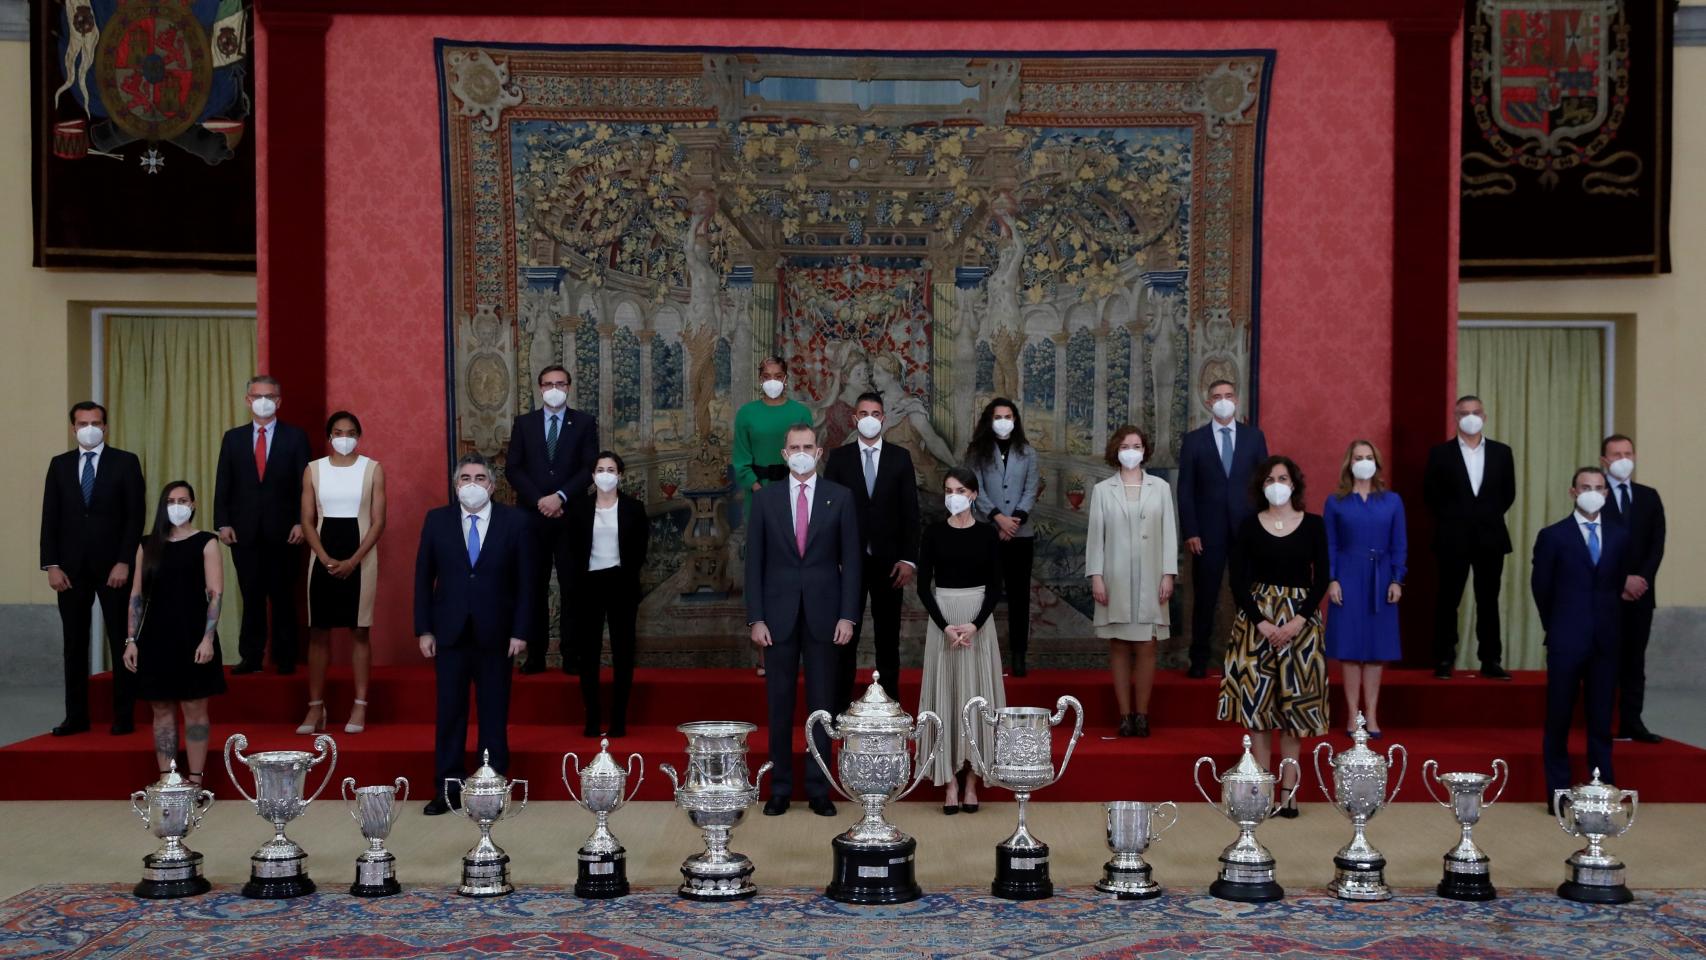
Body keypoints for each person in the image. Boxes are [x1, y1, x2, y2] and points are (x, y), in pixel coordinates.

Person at [746, 423, 860, 817]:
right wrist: (755, 619)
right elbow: (754, 565)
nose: (800, 451)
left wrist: (848, 615)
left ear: (819, 451)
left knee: (822, 707)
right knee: (779, 706)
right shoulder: (765, 501)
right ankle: (779, 787)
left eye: (807, 446)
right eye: (793, 446)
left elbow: (853, 562)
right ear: (783, 453)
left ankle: (818, 787)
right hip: (776, 619)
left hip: (825, 617)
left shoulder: (840, 498)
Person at [415, 454, 534, 815]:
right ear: (455, 486)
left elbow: (527, 583)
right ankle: (447, 789)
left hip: (497, 633)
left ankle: (491, 787)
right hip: (449, 632)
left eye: (479, 477)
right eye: (464, 477)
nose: (472, 484)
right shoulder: (437, 521)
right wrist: (424, 629)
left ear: (492, 485)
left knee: (494, 713)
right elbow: (422, 579)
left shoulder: (515, 521)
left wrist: (520, 630)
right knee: (450, 712)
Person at [1217, 455, 1330, 816]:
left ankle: (1289, 793)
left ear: (1294, 484)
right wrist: (1262, 623)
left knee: (1293, 709)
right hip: (1257, 623)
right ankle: (1260, 789)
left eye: (1282, 478)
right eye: (1269, 479)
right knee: (1258, 710)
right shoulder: (1249, 526)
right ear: (1261, 487)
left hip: (1301, 624)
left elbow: (1322, 577)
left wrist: (1299, 620)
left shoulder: (1314, 525)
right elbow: (1237, 580)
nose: (1277, 484)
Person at [40, 401, 144, 736]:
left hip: (114, 566)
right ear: (73, 428)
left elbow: (134, 517)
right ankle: (76, 717)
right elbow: (50, 518)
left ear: (106, 427)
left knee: (121, 640)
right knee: (74, 643)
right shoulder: (59, 465)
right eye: (83, 422)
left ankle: (124, 714)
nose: (89, 428)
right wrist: (52, 565)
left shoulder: (125, 463)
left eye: (96, 422)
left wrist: (125, 561)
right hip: (70, 570)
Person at [1532, 467, 1628, 807]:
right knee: (1558, 717)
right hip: (1566, 639)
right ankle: (1558, 794)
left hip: (1606, 640)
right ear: (1573, 492)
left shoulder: (1619, 535)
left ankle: (1603, 788)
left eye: (1599, 487)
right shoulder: (1553, 536)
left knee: (1601, 718)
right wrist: (1557, 626)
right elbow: (1541, 588)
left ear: (1606, 493)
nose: (1593, 492)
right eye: (1586, 487)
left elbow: (1618, 585)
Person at [121, 482, 226, 786]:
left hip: (193, 635)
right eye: (170, 500)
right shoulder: (147, 545)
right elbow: (136, 596)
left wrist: (208, 638)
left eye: (182, 500)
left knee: (195, 709)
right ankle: (168, 777)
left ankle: (195, 778)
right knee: (162, 709)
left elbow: (215, 594)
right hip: (155, 636)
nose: (177, 505)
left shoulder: (206, 542)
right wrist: (131, 639)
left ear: (193, 505)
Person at [916, 467, 1005, 814]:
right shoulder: (934, 533)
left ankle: (972, 781)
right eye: (948, 489)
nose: (953, 495)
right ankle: (949, 781)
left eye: (960, 490)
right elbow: (924, 586)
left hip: (977, 621)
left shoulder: (987, 534)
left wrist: (975, 625)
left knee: (977, 696)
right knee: (947, 696)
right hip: (944, 622)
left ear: (973, 495)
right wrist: (946, 626)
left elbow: (996, 586)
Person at [823, 391, 920, 707]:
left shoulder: (900, 457)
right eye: (862, 413)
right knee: (843, 639)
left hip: (890, 563)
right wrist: (834, 558)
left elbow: (910, 512)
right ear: (854, 418)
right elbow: (828, 515)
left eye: (875, 413)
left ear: (883, 418)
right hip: (847, 564)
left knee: (887, 639)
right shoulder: (838, 458)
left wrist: (908, 559)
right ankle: (839, 708)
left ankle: (891, 706)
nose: (868, 418)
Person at [297, 411, 387, 735]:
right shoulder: (314, 470)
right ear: (329, 436)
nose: (344, 437)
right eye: (338, 432)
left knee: (359, 630)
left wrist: (353, 560)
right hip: (323, 553)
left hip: (359, 554)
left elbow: (378, 521)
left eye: (350, 432)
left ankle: (360, 705)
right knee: (318, 631)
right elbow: (307, 519)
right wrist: (322, 556)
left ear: (358, 436)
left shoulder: (373, 469)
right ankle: (315, 707)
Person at [214, 375, 310, 675]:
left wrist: (301, 522)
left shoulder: (296, 437)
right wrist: (222, 523)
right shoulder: (233, 438)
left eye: (269, 396)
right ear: (248, 400)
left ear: (279, 401)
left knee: (283, 596)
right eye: (257, 396)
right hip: (244, 531)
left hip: (285, 531)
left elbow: (306, 485)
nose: (263, 401)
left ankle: (285, 656)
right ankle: (251, 656)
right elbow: (223, 484)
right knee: (251, 594)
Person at [1086, 426, 1178, 738]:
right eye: (1126, 445)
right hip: (1114, 579)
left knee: (1147, 645)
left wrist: (1168, 573)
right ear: (1116, 450)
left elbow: (1169, 533)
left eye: (1137, 445)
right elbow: (1095, 538)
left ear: (1144, 450)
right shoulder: (1102, 490)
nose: (1131, 450)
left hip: (1153, 576)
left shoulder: (1160, 487)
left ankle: (1143, 714)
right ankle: (1125, 715)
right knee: (1120, 644)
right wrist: (1096, 576)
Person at [506, 364, 598, 675]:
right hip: (531, 518)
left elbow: (589, 467)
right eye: (548, 383)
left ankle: (572, 655)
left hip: (571, 516)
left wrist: (560, 497)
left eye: (560, 383)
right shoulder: (524, 424)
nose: (554, 388)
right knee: (532, 585)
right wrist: (540, 500)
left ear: (569, 387)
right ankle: (535, 655)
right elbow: (513, 468)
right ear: (540, 388)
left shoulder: (584, 423)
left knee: (573, 587)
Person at [1178, 379, 1270, 678]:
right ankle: (1199, 660)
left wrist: (1264, 529)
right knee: (1205, 596)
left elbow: (1265, 485)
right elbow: (1185, 491)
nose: (1223, 400)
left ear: (1237, 399)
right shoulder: (1193, 440)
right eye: (1217, 396)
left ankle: (1249, 658)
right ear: (1208, 402)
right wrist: (1191, 530)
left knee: (1248, 596)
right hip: (1207, 533)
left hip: (1247, 533)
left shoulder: (1255, 438)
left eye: (1228, 395)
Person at [1423, 395, 1516, 680]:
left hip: (1490, 537)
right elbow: (1431, 496)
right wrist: (1457, 520)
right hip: (1452, 537)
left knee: (1488, 599)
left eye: (1475, 412)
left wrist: (1484, 517)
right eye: (1464, 413)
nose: (1470, 417)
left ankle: (1490, 659)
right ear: (1456, 417)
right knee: (1448, 599)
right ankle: (1444, 658)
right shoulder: (1440, 454)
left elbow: (1508, 493)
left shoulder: (1502, 452)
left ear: (1484, 417)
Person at [732, 355, 812, 678]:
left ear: (786, 378)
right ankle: (764, 652)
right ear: (759, 377)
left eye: (778, 375)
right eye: (767, 375)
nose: (772, 380)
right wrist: (758, 491)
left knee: (799, 563)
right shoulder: (746, 414)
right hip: (761, 495)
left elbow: (806, 454)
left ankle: (801, 648)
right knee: (764, 568)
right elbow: (740, 461)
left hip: (798, 495)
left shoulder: (800, 412)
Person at [1324, 440, 1407, 738]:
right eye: (1358, 457)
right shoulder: (1336, 501)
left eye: (1368, 457)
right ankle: (1351, 714)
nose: (1363, 461)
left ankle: (1371, 713)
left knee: (1375, 650)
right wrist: (1331, 579)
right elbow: (1330, 544)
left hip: (1381, 577)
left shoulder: (1392, 501)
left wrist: (1397, 579)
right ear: (1349, 462)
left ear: (1377, 462)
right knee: (1349, 650)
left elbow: (1399, 544)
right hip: (1347, 575)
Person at [565, 452, 648, 738]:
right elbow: (572, 551)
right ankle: (592, 718)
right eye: (600, 469)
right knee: (588, 655)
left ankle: (618, 720)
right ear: (592, 475)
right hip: (588, 586)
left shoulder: (634, 509)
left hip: (621, 584)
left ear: (620, 475)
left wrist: (626, 577)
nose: (605, 474)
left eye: (611, 469)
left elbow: (640, 551)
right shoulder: (578, 509)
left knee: (623, 653)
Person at [964, 398, 1040, 676]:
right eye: (998, 416)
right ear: (989, 420)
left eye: (1008, 416)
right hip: (987, 531)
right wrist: (998, 518)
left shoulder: (1028, 453)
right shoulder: (976, 452)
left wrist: (1015, 520)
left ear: (1015, 420)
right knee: (985, 594)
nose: (1004, 420)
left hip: (1021, 535)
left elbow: (1031, 489)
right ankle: (981, 655)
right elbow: (974, 487)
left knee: (1020, 597)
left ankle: (1019, 655)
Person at [1600, 435, 1666, 744]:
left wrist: (1640, 579)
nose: (1623, 459)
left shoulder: (1649, 497)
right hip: (1606, 593)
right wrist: (1620, 580)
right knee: (1604, 658)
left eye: (1628, 453)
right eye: (1616, 454)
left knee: (1634, 660)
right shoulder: (1595, 496)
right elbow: (1593, 546)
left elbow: (1656, 545)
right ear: (1605, 461)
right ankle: (1601, 721)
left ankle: (1632, 722)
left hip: (1641, 594)